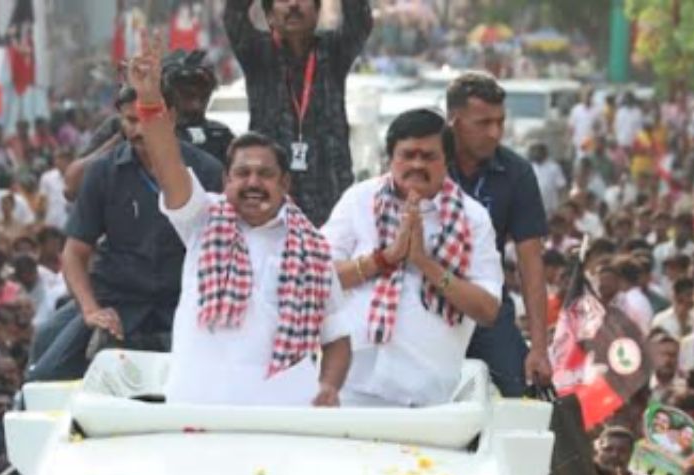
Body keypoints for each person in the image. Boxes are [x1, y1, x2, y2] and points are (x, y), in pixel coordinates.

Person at [125, 38, 351, 407]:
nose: (253, 183)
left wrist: (329, 386)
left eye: (265, 174)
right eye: (242, 173)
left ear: (284, 183)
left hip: (284, 420)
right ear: (226, 181)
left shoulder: (314, 251)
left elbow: (337, 339)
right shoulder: (202, 219)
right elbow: (169, 166)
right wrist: (150, 100)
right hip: (197, 412)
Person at [322, 109, 502, 407]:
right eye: (408, 154)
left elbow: (488, 310)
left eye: (428, 156)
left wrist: (424, 263)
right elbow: (317, 277)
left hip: (425, 395)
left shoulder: (473, 218)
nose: (417, 164)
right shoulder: (359, 200)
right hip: (350, 384)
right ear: (390, 158)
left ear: (447, 162)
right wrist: (384, 259)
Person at [50, 85, 225, 375]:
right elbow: (74, 253)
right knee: (46, 371)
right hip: (119, 304)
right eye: (130, 121)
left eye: (146, 119)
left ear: (170, 116)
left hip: (185, 306)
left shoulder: (207, 170)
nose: (138, 130)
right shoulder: (103, 171)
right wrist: (91, 310)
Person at [445, 73, 553, 396]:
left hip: (487, 306)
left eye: (500, 122)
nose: (495, 133)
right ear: (454, 121)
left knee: (517, 393)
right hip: (427, 303)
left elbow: (531, 263)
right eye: (483, 123)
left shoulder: (516, 173)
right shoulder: (427, 162)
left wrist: (539, 348)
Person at [224, 0, 372, 225]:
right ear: (268, 14)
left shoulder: (333, 51)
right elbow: (234, 15)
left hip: (329, 199)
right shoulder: (256, 52)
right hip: (270, 203)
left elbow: (359, 20)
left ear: (317, 11)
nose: (293, 4)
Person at [162, 49, 235, 165]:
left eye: (202, 93)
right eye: (187, 94)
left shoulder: (220, 135)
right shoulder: (154, 136)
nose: (196, 103)